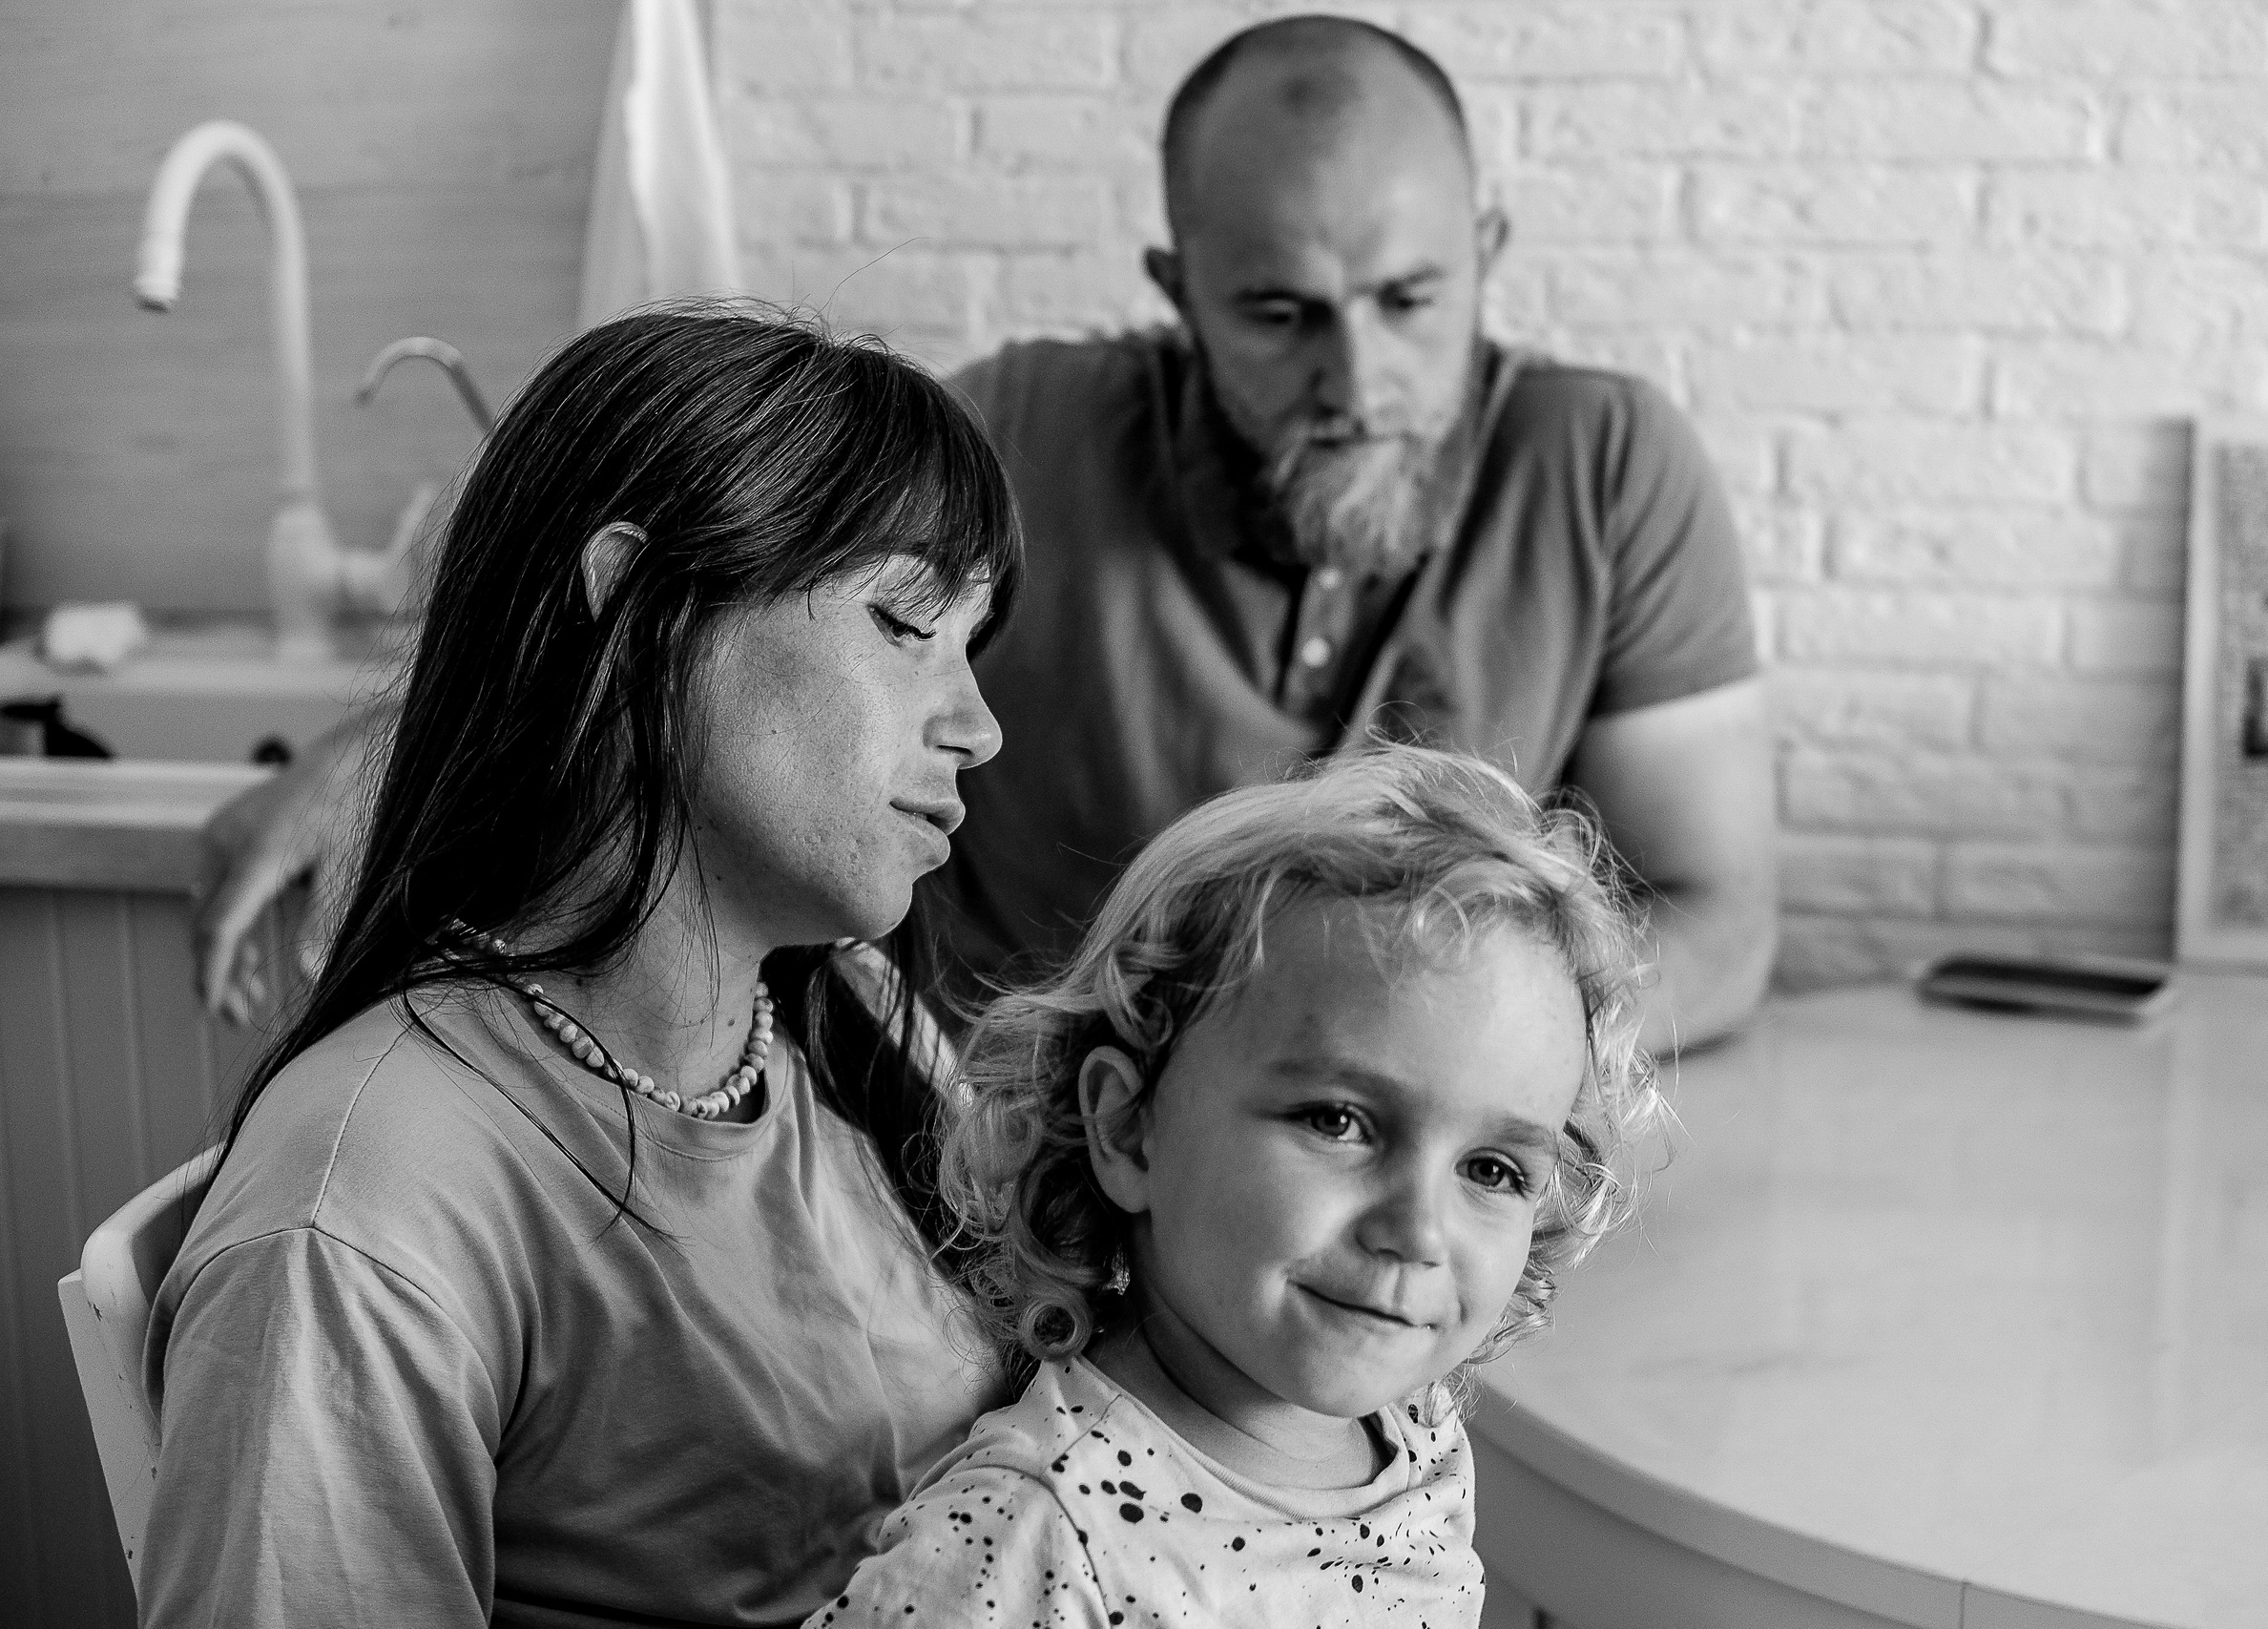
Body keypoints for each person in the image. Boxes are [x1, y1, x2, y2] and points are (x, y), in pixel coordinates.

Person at [194, 14, 1775, 1055]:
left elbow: (1717, 918)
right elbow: (693, 572)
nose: (1354, 379)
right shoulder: (1027, 427)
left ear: (1487, 251)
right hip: (976, 1188)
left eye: (1410, 302)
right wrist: (388, 748)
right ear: (1176, 290)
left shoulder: (1610, 459)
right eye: (1281, 314)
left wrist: (1408, 1054)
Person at [143, 306, 1022, 1627]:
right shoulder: (366, 1211)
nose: (980, 726)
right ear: (632, 606)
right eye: (905, 621)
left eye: (973, 642)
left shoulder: (844, 1012)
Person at [810, 746, 1654, 1626]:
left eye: (1491, 1170)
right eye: (1337, 1121)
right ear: (1129, 1127)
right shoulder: (1039, 1535)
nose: (1419, 1230)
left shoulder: (1414, 1430)